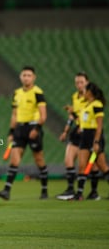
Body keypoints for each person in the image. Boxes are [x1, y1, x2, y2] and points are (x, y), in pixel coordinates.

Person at [0, 66, 48, 200]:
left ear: (34, 77)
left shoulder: (37, 92)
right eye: (24, 75)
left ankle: (44, 191)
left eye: (29, 75)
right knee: (14, 160)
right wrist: (11, 132)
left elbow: (43, 115)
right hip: (20, 128)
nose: (26, 77)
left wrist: (37, 129)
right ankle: (6, 191)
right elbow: (14, 115)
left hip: (33, 127)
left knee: (39, 159)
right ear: (20, 77)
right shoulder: (17, 93)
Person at [73, 82, 109, 200]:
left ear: (90, 92)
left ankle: (89, 192)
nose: (83, 92)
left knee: (103, 167)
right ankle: (79, 194)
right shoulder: (86, 104)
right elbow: (84, 120)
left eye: (85, 90)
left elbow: (99, 126)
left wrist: (97, 142)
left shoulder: (97, 104)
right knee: (82, 165)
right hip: (85, 136)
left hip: (94, 137)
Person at [56, 72, 89, 200]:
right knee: (68, 160)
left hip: (88, 131)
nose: (79, 85)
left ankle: (93, 191)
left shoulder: (90, 98)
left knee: (94, 165)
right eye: (77, 82)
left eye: (81, 82)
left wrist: (77, 117)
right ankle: (70, 189)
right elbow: (72, 116)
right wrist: (65, 131)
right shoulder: (75, 96)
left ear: (87, 82)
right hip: (77, 131)